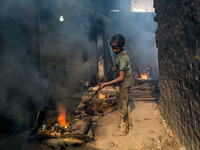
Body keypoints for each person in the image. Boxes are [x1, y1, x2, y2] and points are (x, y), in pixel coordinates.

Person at [100, 34, 134, 136]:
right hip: (126, 81)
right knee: (125, 103)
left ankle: (123, 130)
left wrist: (106, 84)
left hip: (125, 83)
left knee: (122, 106)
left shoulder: (122, 58)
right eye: (113, 48)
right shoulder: (120, 54)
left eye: (116, 48)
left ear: (122, 46)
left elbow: (120, 78)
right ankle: (129, 124)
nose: (114, 50)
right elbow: (121, 68)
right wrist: (117, 68)